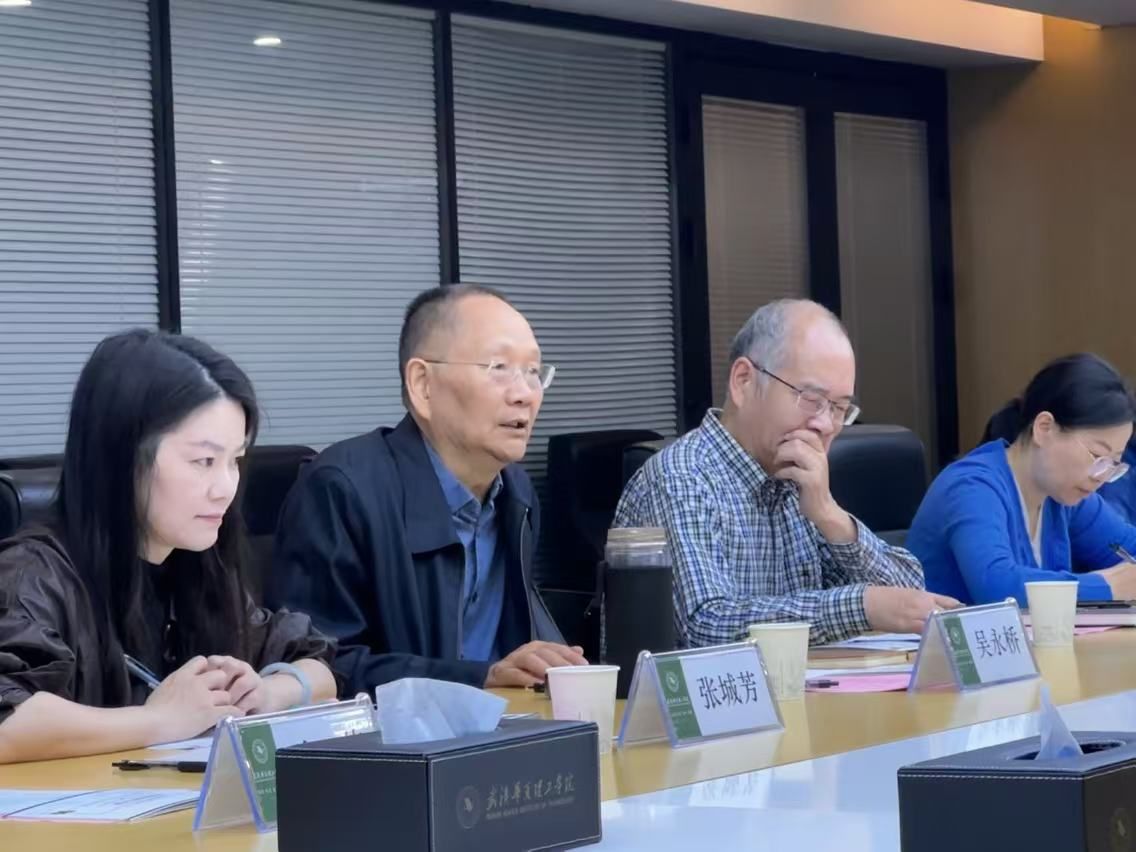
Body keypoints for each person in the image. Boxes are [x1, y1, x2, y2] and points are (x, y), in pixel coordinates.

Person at [0, 330, 337, 764]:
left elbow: (317, 664)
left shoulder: (197, 564)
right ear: (124, 459)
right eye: (204, 461)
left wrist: (266, 692)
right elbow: (9, 718)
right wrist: (160, 721)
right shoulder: (31, 576)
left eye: (235, 460)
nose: (225, 488)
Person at [268, 284, 585, 694]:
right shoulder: (341, 490)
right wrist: (480, 679)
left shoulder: (516, 493)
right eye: (499, 367)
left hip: (505, 723)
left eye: (533, 372)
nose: (525, 394)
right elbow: (318, 667)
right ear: (422, 385)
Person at [613, 299, 955, 648]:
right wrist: (859, 607)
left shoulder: (799, 480)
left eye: (839, 408)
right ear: (744, 381)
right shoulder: (682, 478)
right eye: (811, 399)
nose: (825, 424)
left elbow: (911, 601)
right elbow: (705, 626)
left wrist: (830, 516)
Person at [909, 353, 1136, 606]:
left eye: (1113, 464)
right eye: (1097, 456)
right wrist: (1110, 586)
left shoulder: (1065, 494)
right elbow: (999, 587)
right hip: (941, 632)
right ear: (1044, 428)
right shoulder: (971, 487)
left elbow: (1129, 545)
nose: (1100, 477)